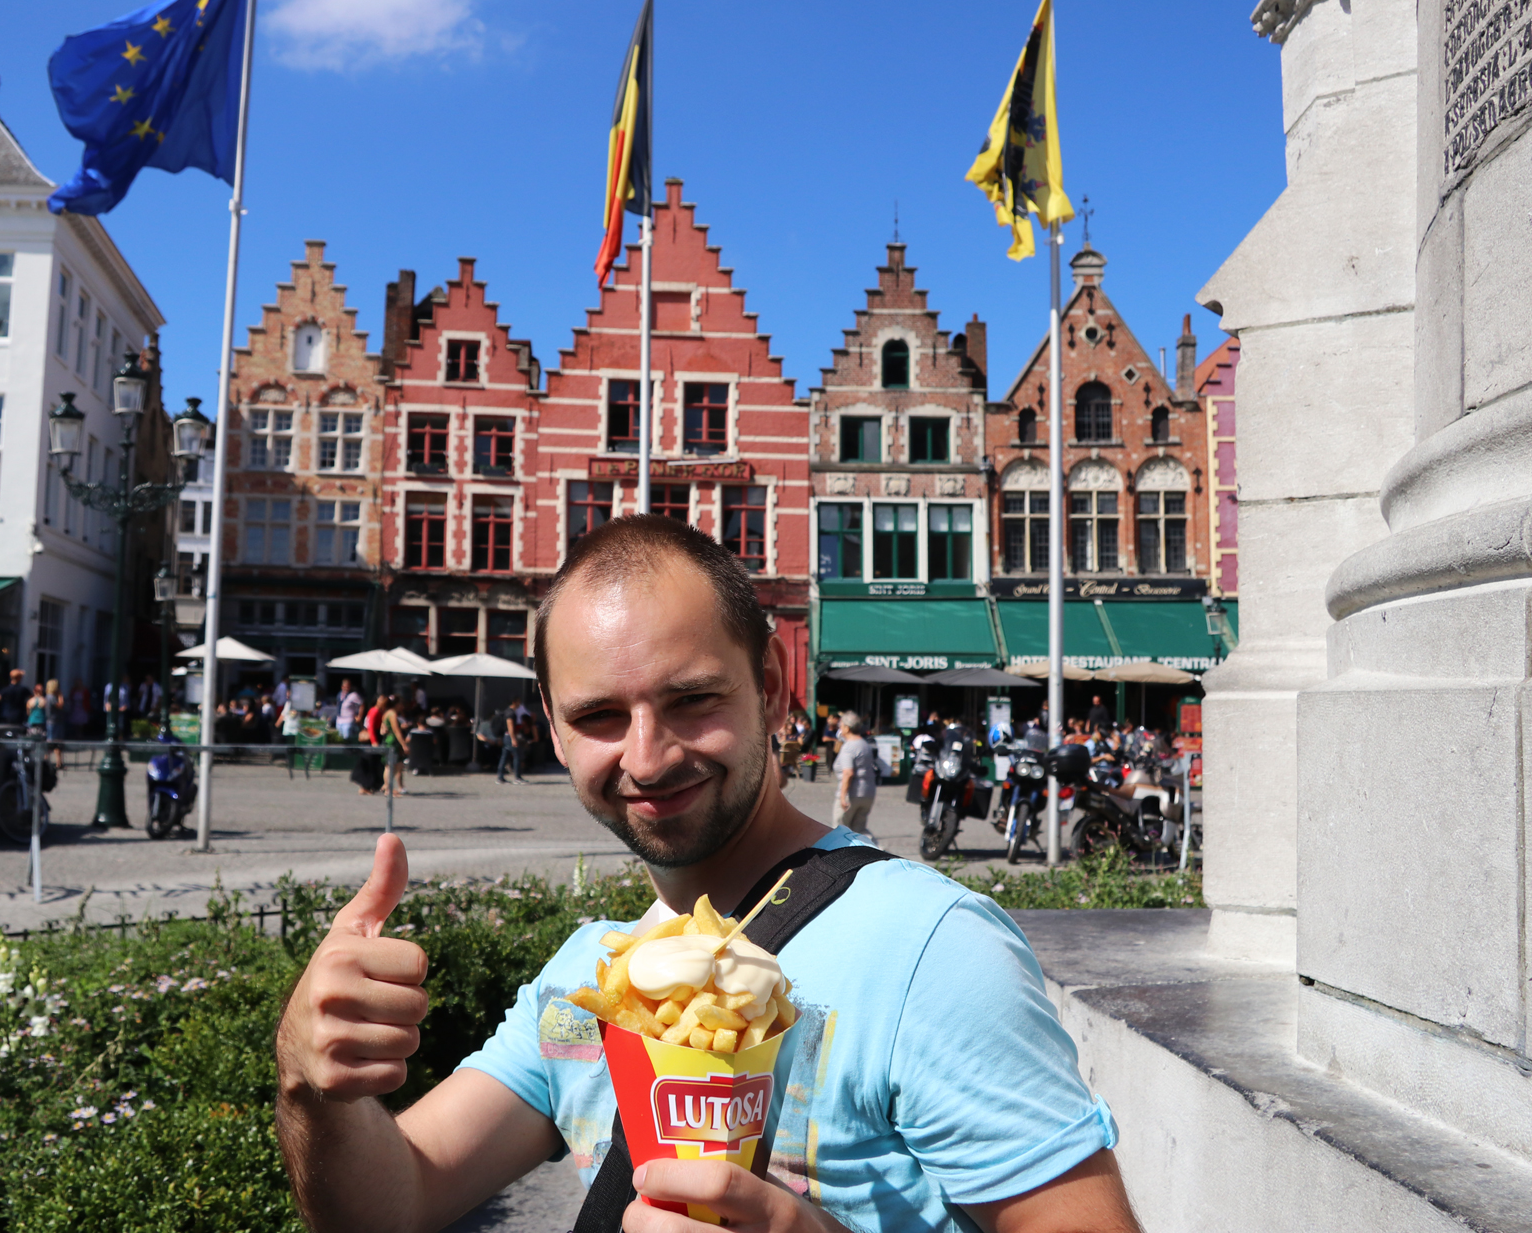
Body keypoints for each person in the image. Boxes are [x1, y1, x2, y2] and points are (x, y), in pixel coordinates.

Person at [273, 515, 1135, 1233]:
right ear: (554, 726)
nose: (647, 757)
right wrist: (311, 1086)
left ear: (769, 683)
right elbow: (394, 1202)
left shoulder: (929, 950)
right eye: (600, 715)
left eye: (691, 699)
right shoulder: (583, 981)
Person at [831, 709, 877, 837]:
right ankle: (876, 850)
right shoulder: (865, 744)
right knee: (860, 831)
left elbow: (848, 773)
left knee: (839, 832)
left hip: (852, 793)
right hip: (868, 792)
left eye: (841, 725)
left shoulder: (849, 747)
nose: (839, 728)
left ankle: (840, 856)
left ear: (847, 728)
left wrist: (842, 796)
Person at [495, 699, 524, 784]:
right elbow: (510, 726)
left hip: (506, 736)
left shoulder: (507, 712)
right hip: (510, 736)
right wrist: (513, 739)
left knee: (504, 757)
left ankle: (500, 777)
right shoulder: (510, 713)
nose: (520, 703)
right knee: (517, 756)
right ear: (514, 702)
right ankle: (517, 777)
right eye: (518, 701)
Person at [43, 679, 67, 770]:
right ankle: (52, 761)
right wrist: (61, 696)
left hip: (54, 721)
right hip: (54, 722)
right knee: (54, 742)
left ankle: (57, 762)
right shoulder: (51, 697)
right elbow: (60, 705)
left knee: (54, 742)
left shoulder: (48, 696)